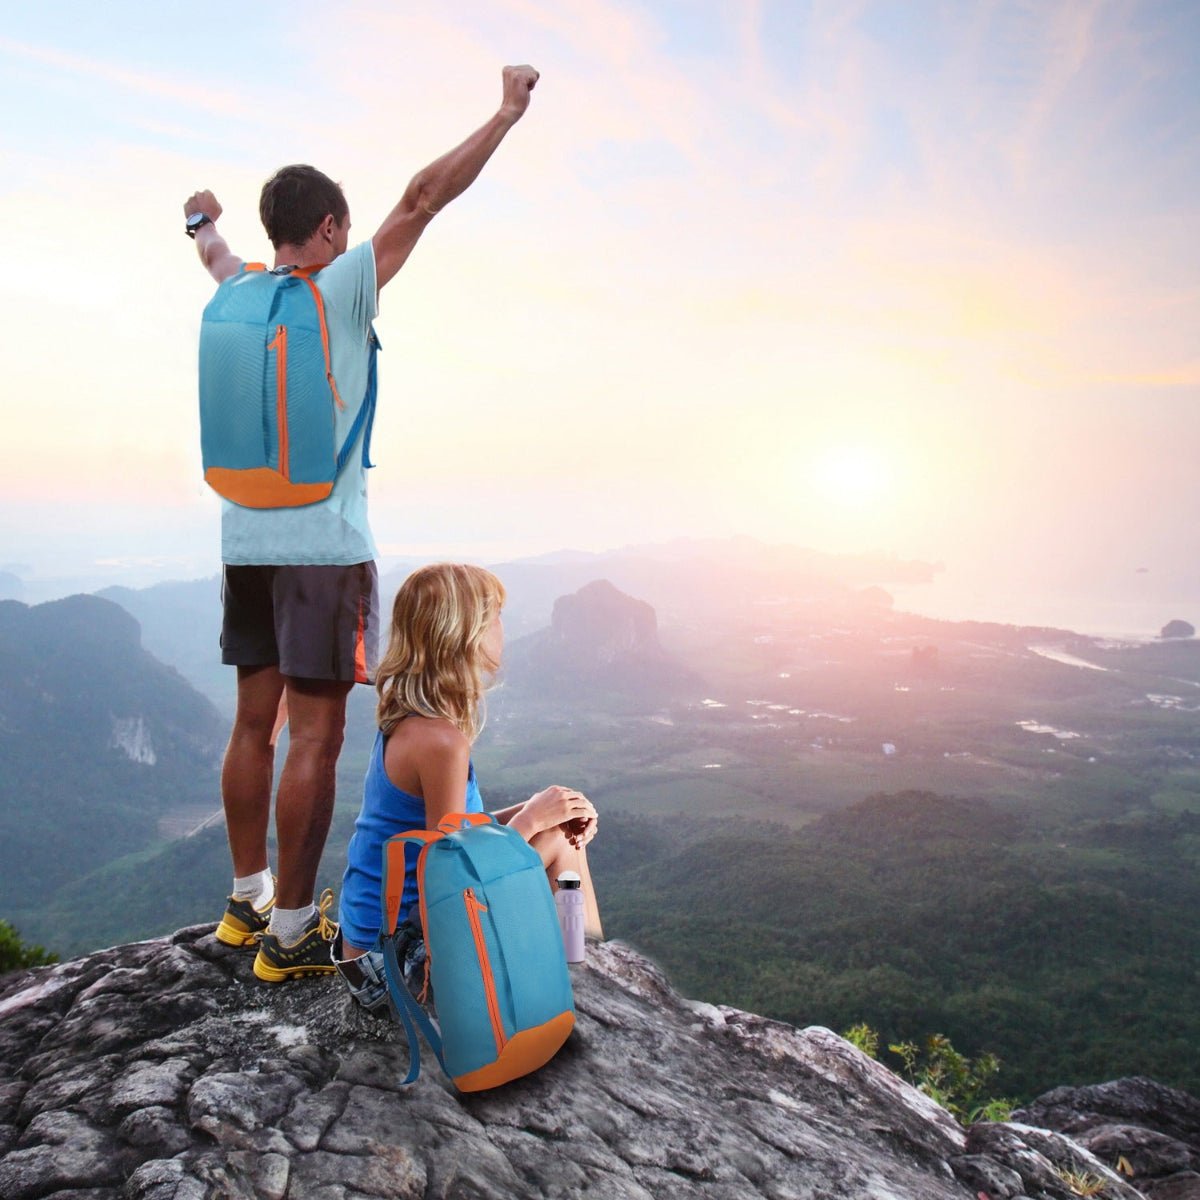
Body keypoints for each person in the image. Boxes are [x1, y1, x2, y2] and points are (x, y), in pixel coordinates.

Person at [183, 65, 542, 983]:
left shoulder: (238, 289)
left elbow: (212, 252)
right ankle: (294, 931)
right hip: (323, 549)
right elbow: (425, 197)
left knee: (250, 724)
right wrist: (504, 111)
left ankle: (245, 898)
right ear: (333, 228)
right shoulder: (339, 287)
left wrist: (201, 222)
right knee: (314, 736)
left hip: (242, 540)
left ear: (273, 233)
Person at [334, 563, 602, 1015]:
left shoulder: (410, 718)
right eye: (494, 617)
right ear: (465, 635)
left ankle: (584, 962)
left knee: (557, 831)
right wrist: (534, 819)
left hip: (371, 952)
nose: (502, 628)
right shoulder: (442, 742)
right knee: (559, 843)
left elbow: (449, 834)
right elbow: (451, 877)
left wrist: (537, 808)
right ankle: (590, 968)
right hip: (396, 967)